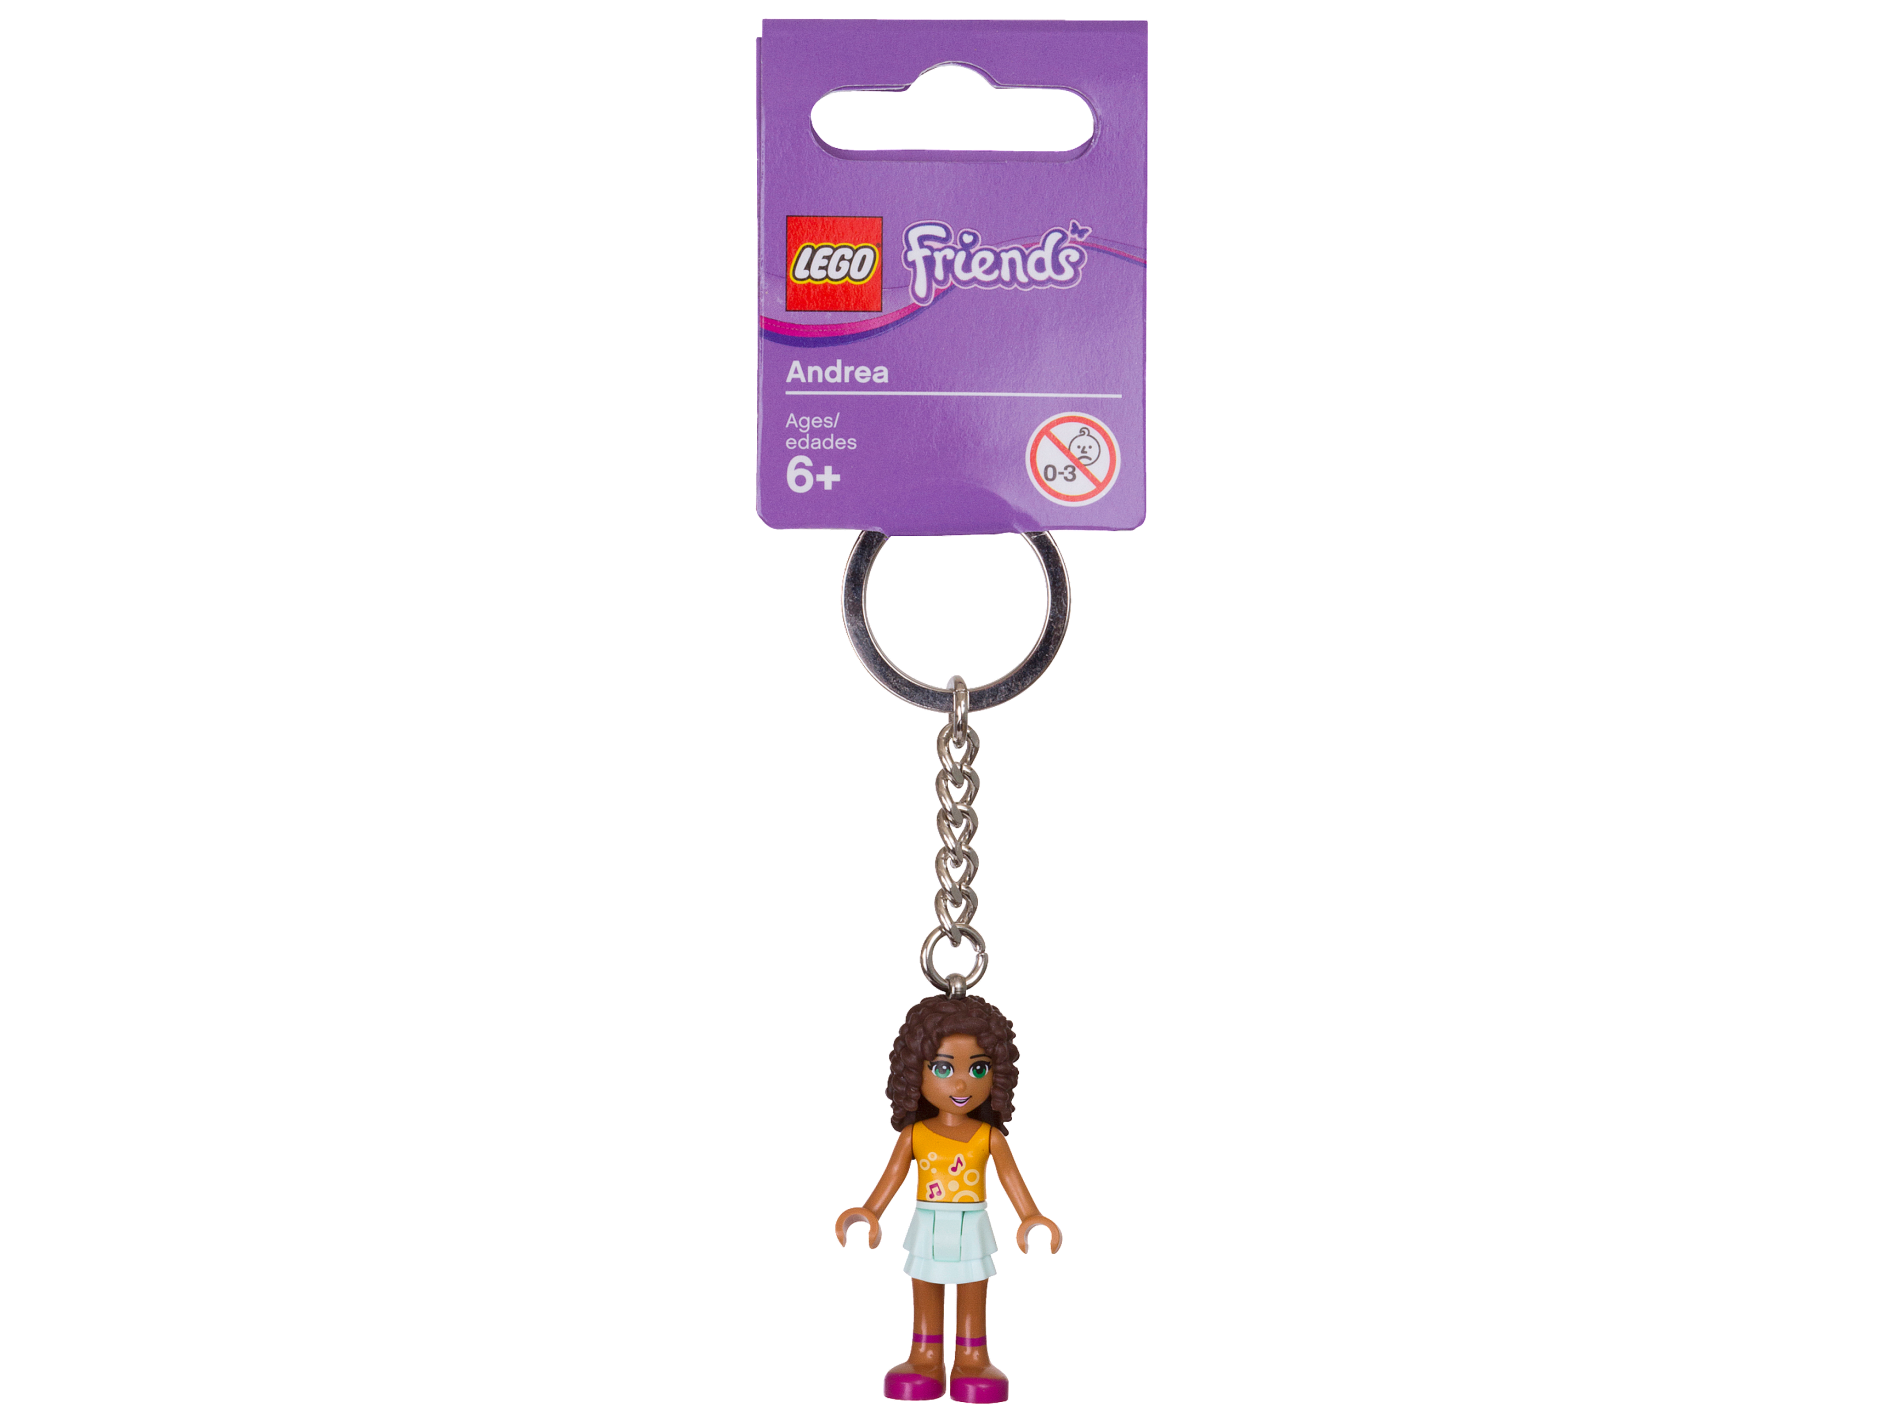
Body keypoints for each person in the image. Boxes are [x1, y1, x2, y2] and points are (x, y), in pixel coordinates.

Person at [835, 994, 1063, 1403]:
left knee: (973, 1287)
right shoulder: (915, 1135)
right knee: (925, 1284)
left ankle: (972, 1358)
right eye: (943, 1068)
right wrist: (869, 1211)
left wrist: (1030, 1216)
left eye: (978, 1069)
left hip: (973, 1223)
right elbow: (893, 1175)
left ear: (998, 1075)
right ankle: (925, 1357)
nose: (960, 1084)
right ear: (914, 1073)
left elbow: (1010, 1176)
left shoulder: (988, 1137)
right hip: (927, 1221)